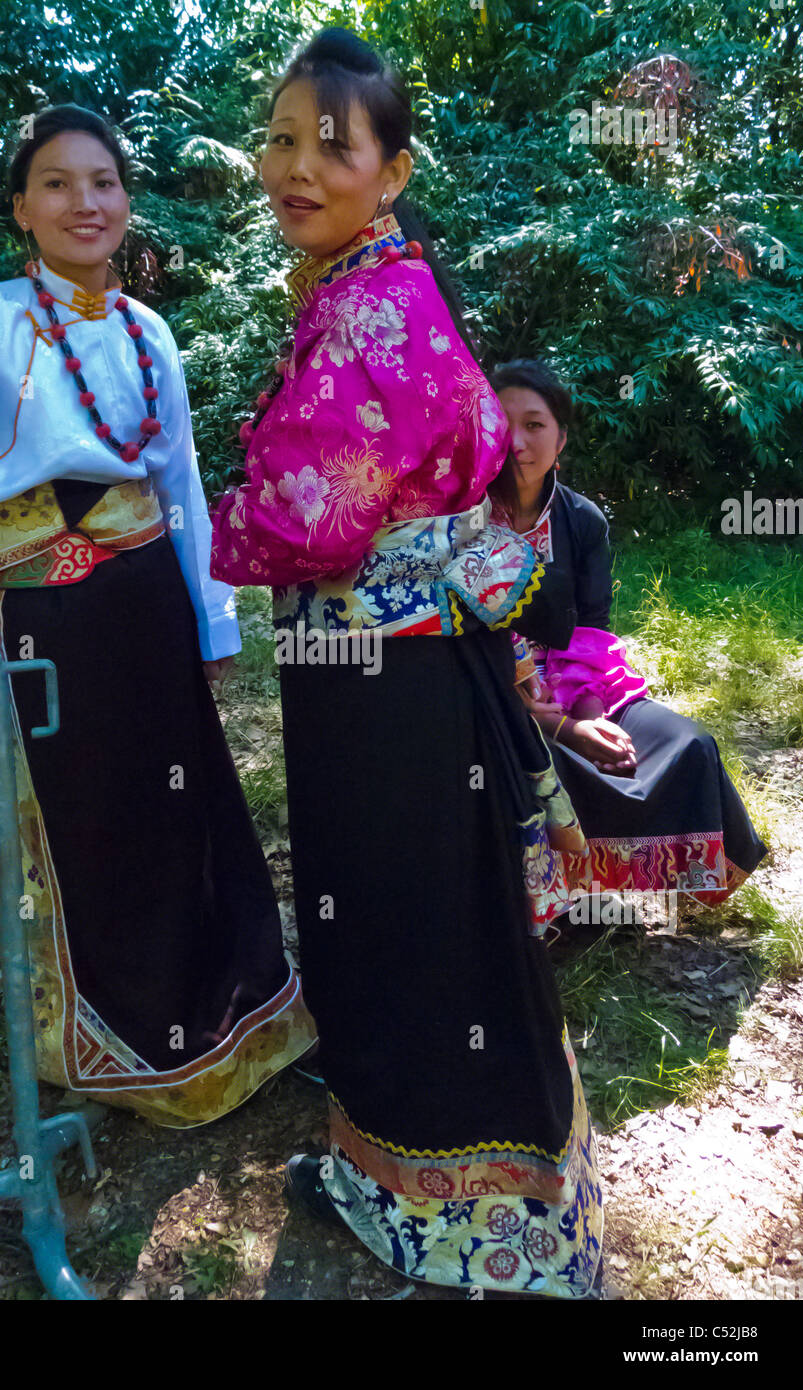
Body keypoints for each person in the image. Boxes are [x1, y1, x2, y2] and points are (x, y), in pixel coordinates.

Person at [210, 30, 602, 1297]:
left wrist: (206, 517)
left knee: (395, 917)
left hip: (376, 676)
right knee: (434, 916)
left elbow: (308, 518)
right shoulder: (385, 286)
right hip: (406, 670)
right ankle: (450, 1195)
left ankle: (432, 1201)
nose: (295, 165)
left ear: (392, 168)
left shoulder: (369, 309)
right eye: (278, 138)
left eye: (332, 143)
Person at [0, 104, 315, 1127]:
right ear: (22, 208)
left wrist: (214, 622)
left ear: (127, 199)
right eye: (56, 183)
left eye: (102, 181)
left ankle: (236, 1016)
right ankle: (130, 1038)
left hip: (152, 603)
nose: (83, 202)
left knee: (187, 810)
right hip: (57, 621)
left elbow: (184, 488)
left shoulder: (152, 334)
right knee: (92, 821)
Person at [488, 358, 768, 911]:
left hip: (577, 685)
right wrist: (563, 730)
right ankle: (549, 904)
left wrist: (589, 717)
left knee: (685, 743)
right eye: (500, 423)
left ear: (561, 439)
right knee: (546, 761)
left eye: (535, 424)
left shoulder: (583, 521)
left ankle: (634, 884)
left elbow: (591, 628)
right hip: (493, 694)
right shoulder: (457, 518)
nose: (515, 441)